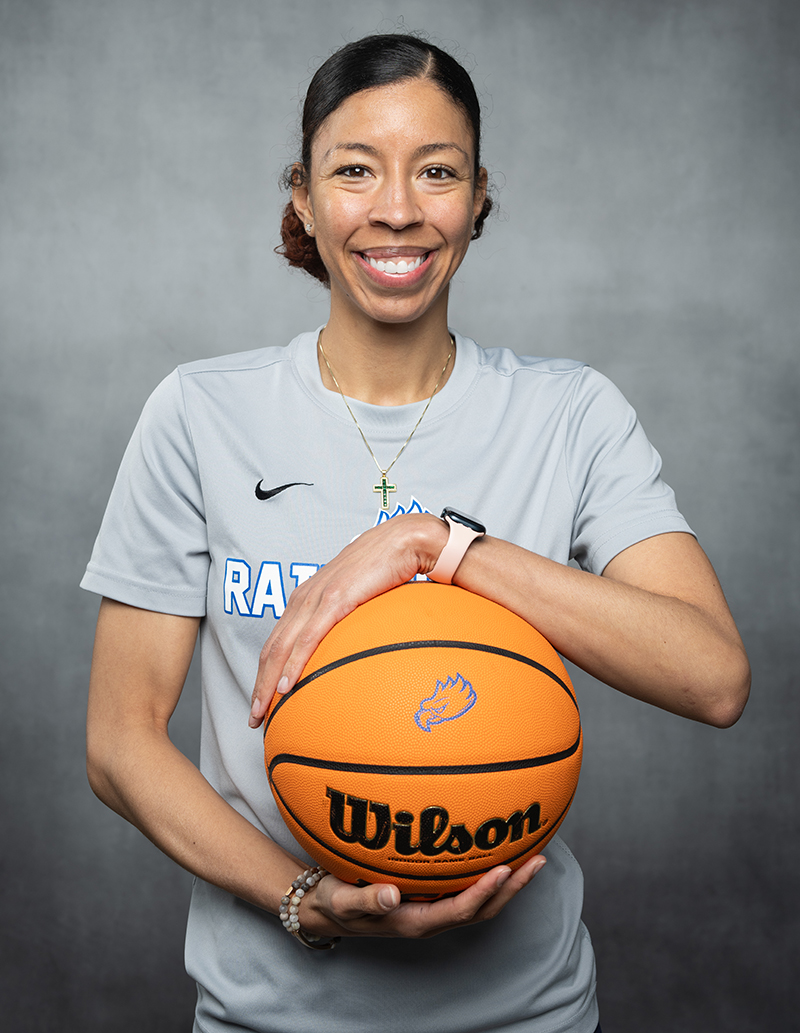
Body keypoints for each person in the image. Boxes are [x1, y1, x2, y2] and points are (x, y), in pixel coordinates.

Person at [82, 32, 750, 1033]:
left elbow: (712, 677)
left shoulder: (568, 413)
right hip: (269, 1015)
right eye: (354, 169)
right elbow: (118, 741)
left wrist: (442, 545)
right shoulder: (198, 414)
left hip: (526, 1013)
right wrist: (301, 901)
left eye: (435, 171)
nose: (396, 207)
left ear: (478, 196)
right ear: (302, 197)